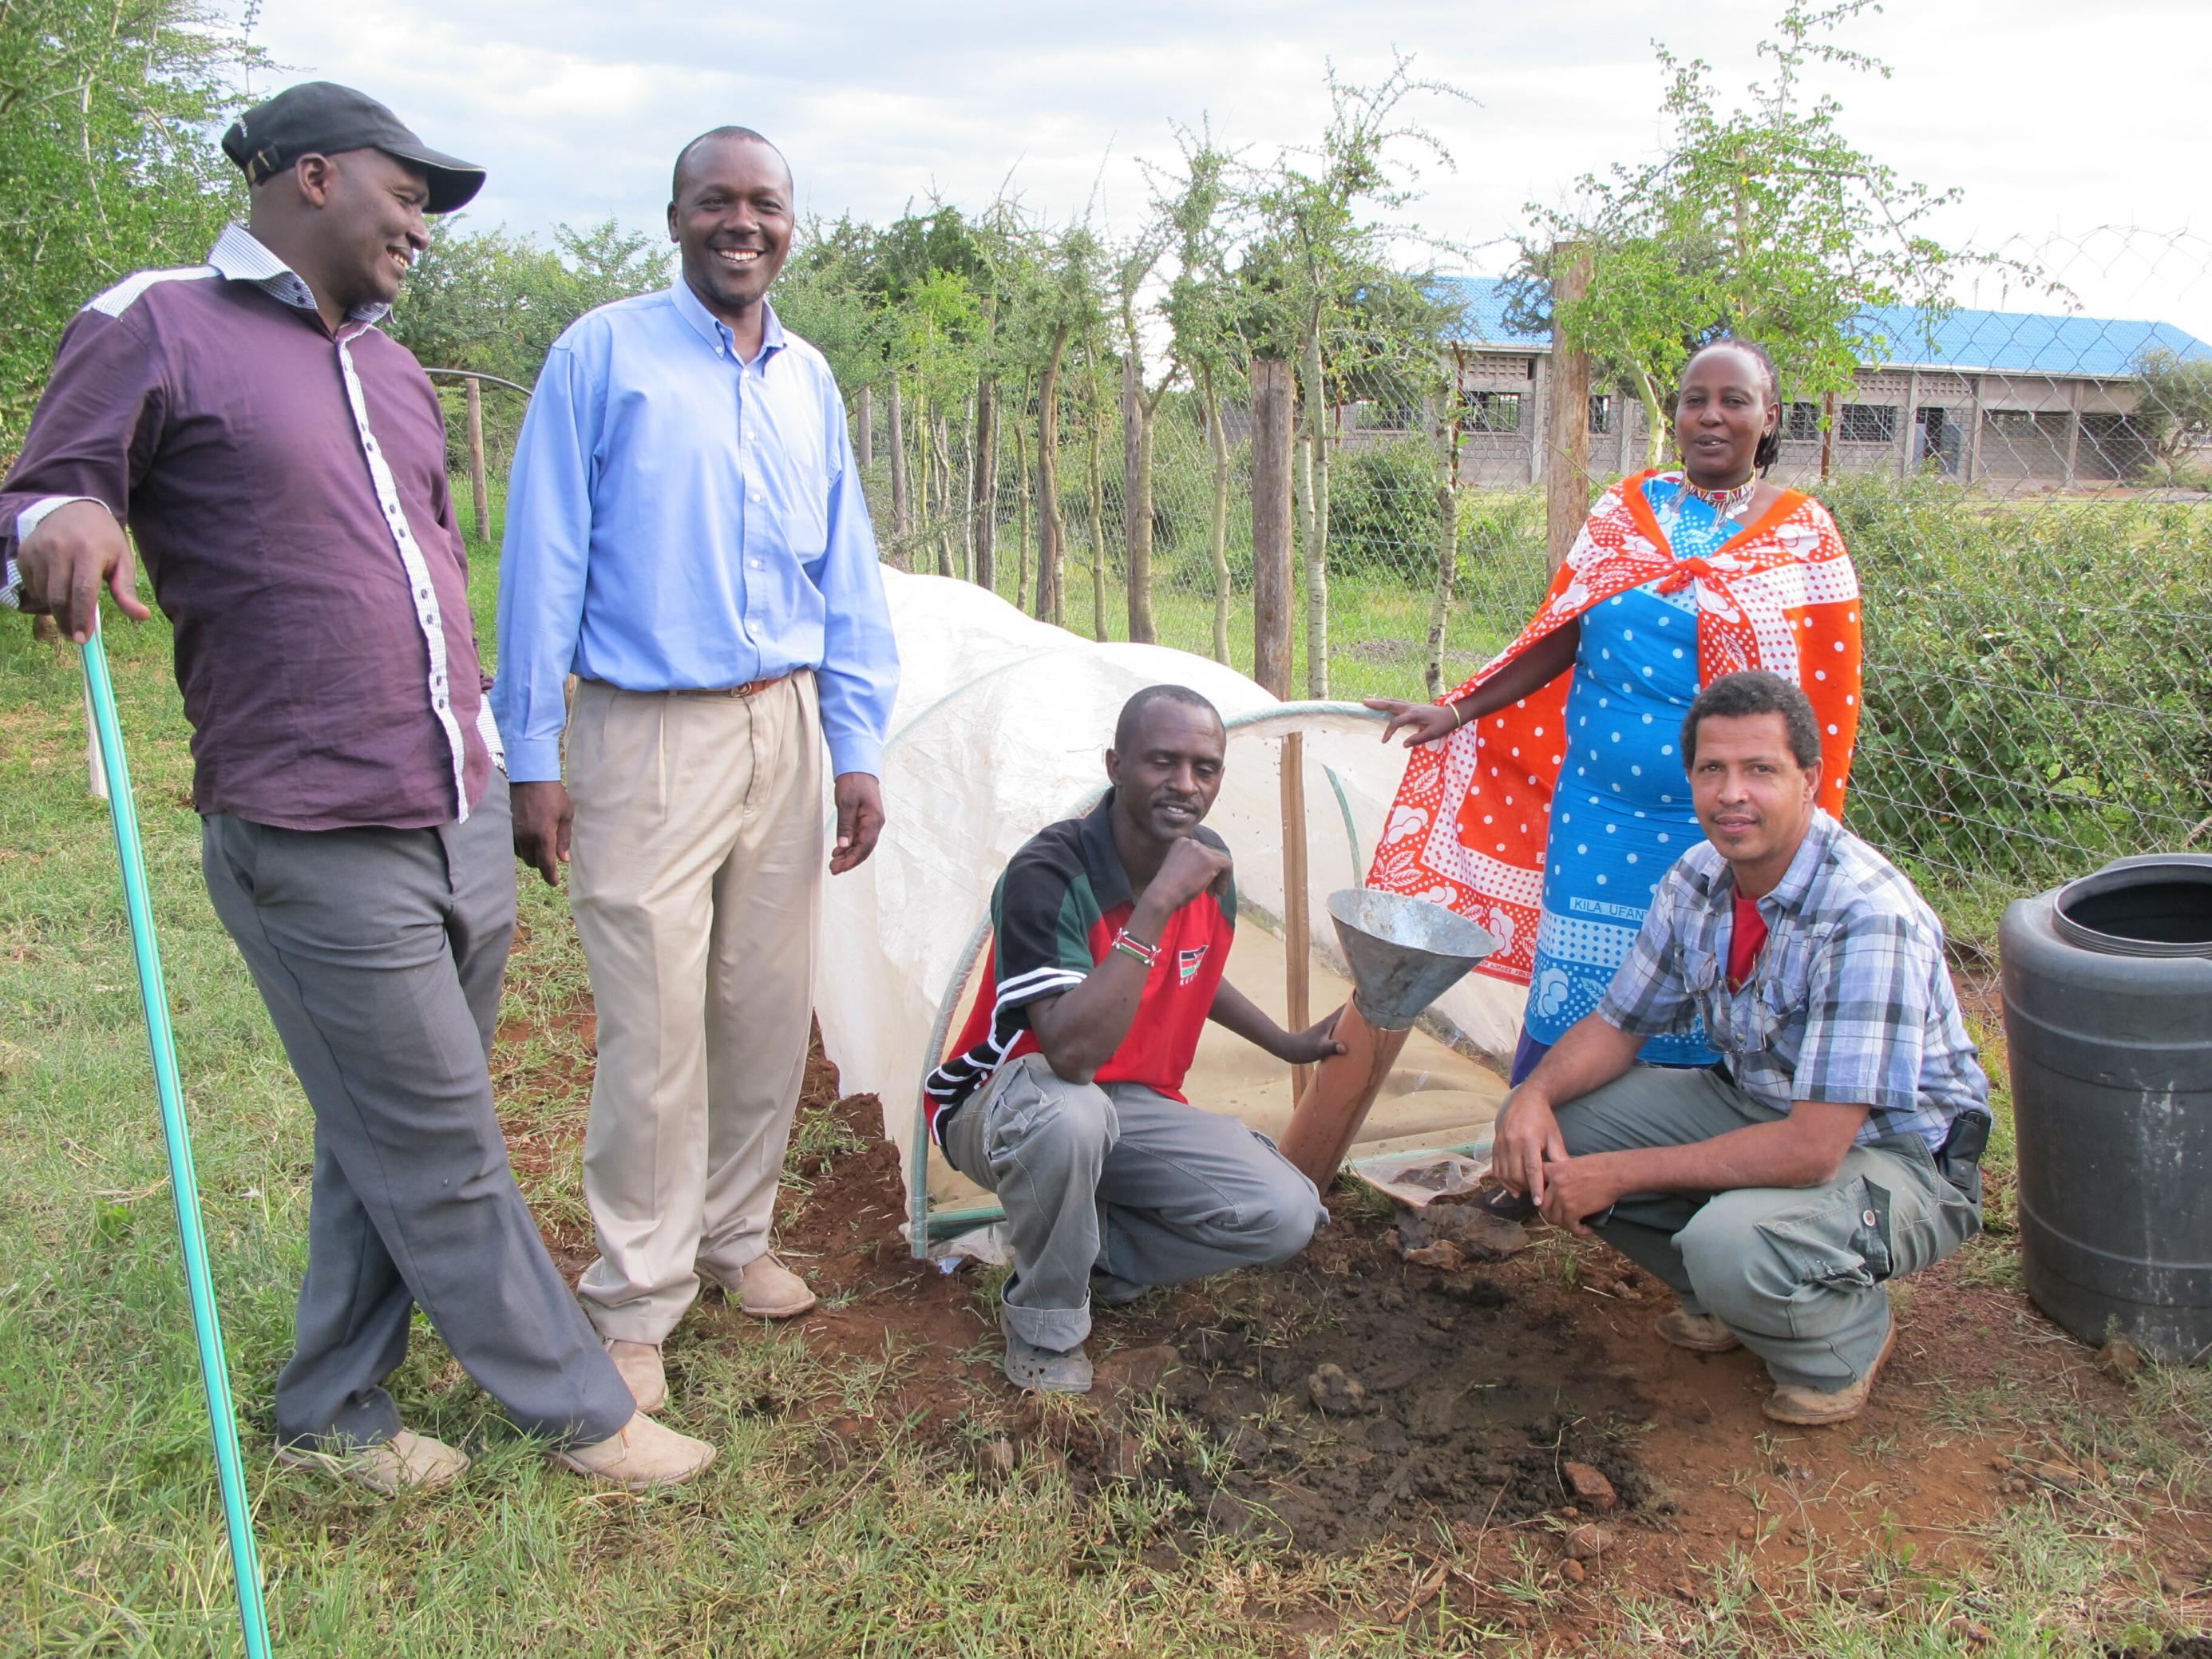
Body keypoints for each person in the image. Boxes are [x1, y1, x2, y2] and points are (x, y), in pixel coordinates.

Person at [0, 81, 710, 1491]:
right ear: (312, 178)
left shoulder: (395, 371)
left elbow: (443, 576)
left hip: (453, 800)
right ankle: (579, 1410)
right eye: (409, 196)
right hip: (308, 820)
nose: (424, 230)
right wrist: (58, 517)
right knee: (440, 1134)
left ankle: (332, 1405)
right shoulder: (154, 318)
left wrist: (509, 764)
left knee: (379, 1128)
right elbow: (36, 498)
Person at [493, 126, 898, 1417]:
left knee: (764, 1008)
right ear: (674, 217)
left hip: (782, 725)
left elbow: (847, 569)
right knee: (655, 1029)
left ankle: (736, 1238)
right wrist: (534, 753)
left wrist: (856, 742)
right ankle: (635, 1298)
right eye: (717, 201)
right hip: (642, 729)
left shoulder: (807, 379)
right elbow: (543, 558)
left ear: (792, 223)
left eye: (765, 204)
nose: (743, 223)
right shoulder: (601, 356)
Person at [1491, 671, 1990, 1426]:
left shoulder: (1865, 915)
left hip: (1895, 1159)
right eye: (1712, 770)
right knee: (1562, 1130)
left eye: (1760, 770)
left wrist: (1617, 1173)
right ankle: (1722, 1299)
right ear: (1690, 777)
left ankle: (1843, 1338)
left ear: (1809, 781)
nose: (1733, 794)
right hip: (1758, 1105)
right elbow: (1617, 1026)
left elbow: (1814, 1149)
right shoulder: (1696, 879)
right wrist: (1527, 1094)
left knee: (1731, 1241)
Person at [1365, 339, 1864, 1085]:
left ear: (1769, 419)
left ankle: (1669, 1168)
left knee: (1704, 989)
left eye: (1735, 400)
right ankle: (1541, 1148)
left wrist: (1800, 822)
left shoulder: (1804, 535)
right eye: (1695, 399)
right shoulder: (1623, 511)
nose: (1712, 416)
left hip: (1720, 829)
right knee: (1573, 988)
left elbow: (1823, 699)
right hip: (1595, 813)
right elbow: (1563, 629)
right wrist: (1462, 710)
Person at [922, 686, 1341, 1393]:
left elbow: (1195, 971)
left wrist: (1287, 1043)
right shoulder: (1048, 873)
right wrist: (1152, 907)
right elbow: (1070, 1053)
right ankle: (1045, 1326)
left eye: (1204, 768)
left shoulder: (1206, 863)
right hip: (1006, 1101)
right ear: (1116, 765)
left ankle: (1095, 1254)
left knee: (1284, 1214)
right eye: (1161, 762)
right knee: (1072, 1114)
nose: (1185, 785)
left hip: (1128, 1103)